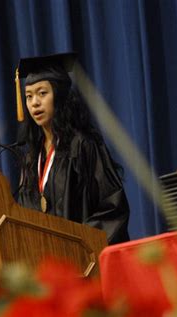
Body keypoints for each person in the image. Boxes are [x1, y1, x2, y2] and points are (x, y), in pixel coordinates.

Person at [14, 52, 130, 245]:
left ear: (59, 96)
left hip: (83, 261)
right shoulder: (32, 159)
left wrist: (78, 244)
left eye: (42, 93)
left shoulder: (83, 146)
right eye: (28, 96)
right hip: (46, 264)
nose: (34, 102)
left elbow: (112, 207)